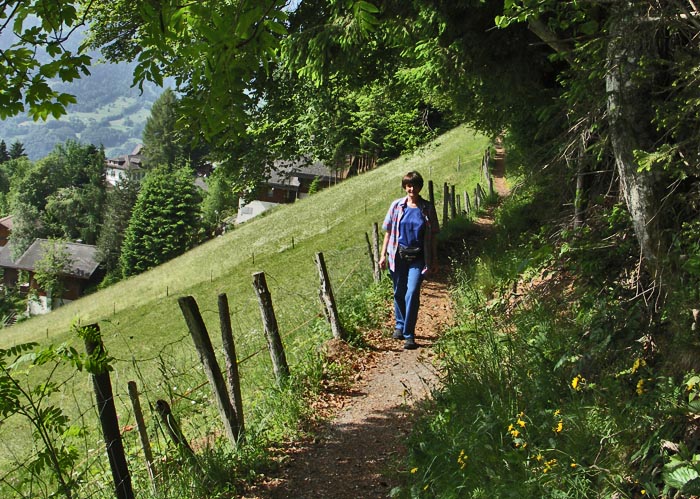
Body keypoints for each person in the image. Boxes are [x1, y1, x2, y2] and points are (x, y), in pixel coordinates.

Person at [378, 171, 439, 350]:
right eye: (408, 185)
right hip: (398, 255)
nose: (411, 188)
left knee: (411, 291)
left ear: (420, 187)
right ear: (405, 186)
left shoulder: (427, 208)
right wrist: (383, 255)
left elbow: (434, 235)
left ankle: (409, 334)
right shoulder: (396, 206)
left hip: (419, 257)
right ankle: (399, 324)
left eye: (414, 185)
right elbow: (388, 232)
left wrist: (434, 259)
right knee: (398, 291)